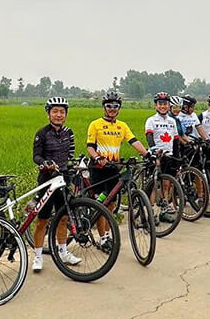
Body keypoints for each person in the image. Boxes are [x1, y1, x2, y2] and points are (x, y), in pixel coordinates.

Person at [87, 90, 148, 243]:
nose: (112, 109)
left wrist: (147, 154)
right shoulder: (95, 125)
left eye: (116, 106)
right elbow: (90, 147)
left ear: (119, 108)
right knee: (101, 205)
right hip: (99, 169)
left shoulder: (122, 126)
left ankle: (107, 234)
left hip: (113, 169)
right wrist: (97, 157)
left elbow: (134, 141)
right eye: (109, 106)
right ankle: (102, 238)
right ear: (104, 107)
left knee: (111, 205)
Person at [31, 97, 82, 271]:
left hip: (63, 180)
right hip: (47, 180)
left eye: (62, 112)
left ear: (66, 115)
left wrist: (75, 166)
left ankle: (63, 252)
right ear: (48, 114)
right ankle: (38, 257)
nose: (58, 115)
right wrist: (45, 163)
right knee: (42, 221)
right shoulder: (42, 133)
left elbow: (70, 155)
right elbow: (36, 156)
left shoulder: (69, 133)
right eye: (55, 111)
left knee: (63, 218)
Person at [143, 92, 181, 222]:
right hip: (156, 156)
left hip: (168, 155)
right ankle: (152, 213)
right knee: (154, 185)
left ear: (169, 105)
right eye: (160, 104)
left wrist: (177, 158)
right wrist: (154, 150)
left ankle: (164, 211)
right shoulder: (151, 120)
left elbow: (176, 140)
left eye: (165, 104)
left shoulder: (172, 121)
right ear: (156, 106)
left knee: (166, 184)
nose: (163, 106)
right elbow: (149, 136)